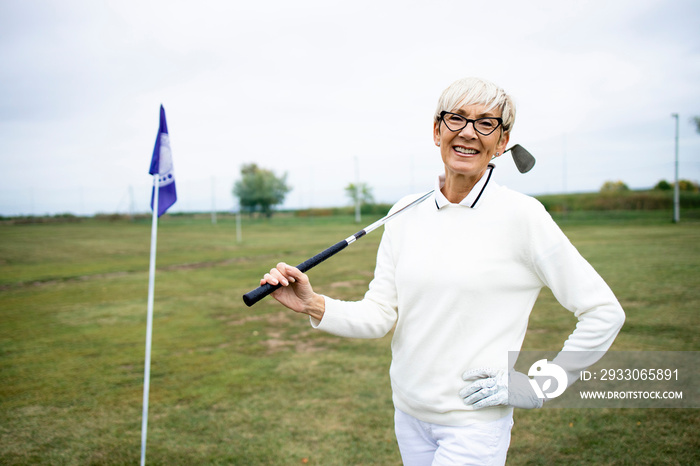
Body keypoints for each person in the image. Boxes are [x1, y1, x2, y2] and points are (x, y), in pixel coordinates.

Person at [259, 77, 625, 465]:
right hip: (410, 417)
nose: (468, 133)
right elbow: (380, 316)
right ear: (437, 131)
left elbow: (603, 313)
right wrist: (313, 303)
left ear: (502, 142)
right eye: (457, 119)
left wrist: (540, 385)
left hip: (474, 426)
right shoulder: (405, 211)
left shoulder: (524, 216)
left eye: (486, 123)